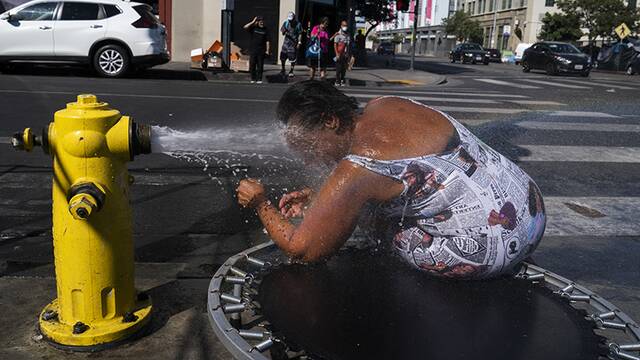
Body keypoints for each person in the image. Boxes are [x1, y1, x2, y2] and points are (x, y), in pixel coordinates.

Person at [236, 80, 546, 280]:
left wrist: (261, 203)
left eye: (309, 147)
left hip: (495, 248)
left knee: (367, 216)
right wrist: (322, 196)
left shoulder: (358, 169)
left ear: (330, 120)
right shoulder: (385, 103)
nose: (308, 159)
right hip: (531, 208)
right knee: (361, 201)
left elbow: (304, 250)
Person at [244, 16, 270, 84]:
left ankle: (259, 79)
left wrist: (267, 50)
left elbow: (267, 41)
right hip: (253, 50)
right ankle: (253, 78)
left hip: (261, 50)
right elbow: (245, 27)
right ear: (258, 22)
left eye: (262, 21)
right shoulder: (254, 28)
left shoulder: (265, 30)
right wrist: (253, 21)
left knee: (260, 65)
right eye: (260, 21)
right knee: (252, 64)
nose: (261, 22)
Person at [279, 11, 303, 78]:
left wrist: (299, 42)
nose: (290, 21)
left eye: (291, 19)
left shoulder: (298, 24)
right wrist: (284, 32)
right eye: (289, 19)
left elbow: (300, 33)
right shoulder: (286, 23)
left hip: (293, 44)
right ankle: (283, 69)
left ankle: (291, 71)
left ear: (294, 18)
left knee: (292, 58)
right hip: (286, 43)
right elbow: (282, 31)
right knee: (283, 57)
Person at [332, 20, 351, 86]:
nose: (345, 27)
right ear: (341, 26)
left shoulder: (347, 35)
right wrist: (336, 53)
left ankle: (342, 79)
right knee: (338, 68)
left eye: (346, 25)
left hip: (345, 54)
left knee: (344, 68)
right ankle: (337, 80)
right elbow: (335, 45)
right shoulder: (338, 34)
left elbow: (348, 45)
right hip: (339, 53)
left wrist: (348, 53)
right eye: (344, 25)